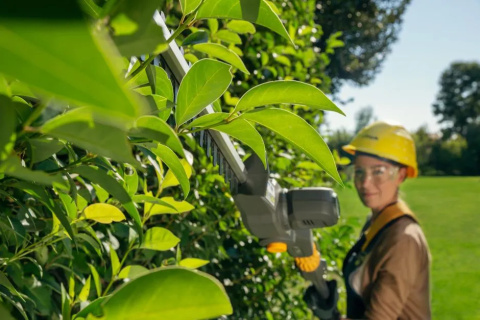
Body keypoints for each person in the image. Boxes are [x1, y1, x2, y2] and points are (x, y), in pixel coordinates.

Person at [304, 121, 431, 320]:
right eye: (359, 172)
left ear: (401, 175)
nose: (365, 183)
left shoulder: (403, 239)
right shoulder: (377, 223)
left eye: (378, 172)